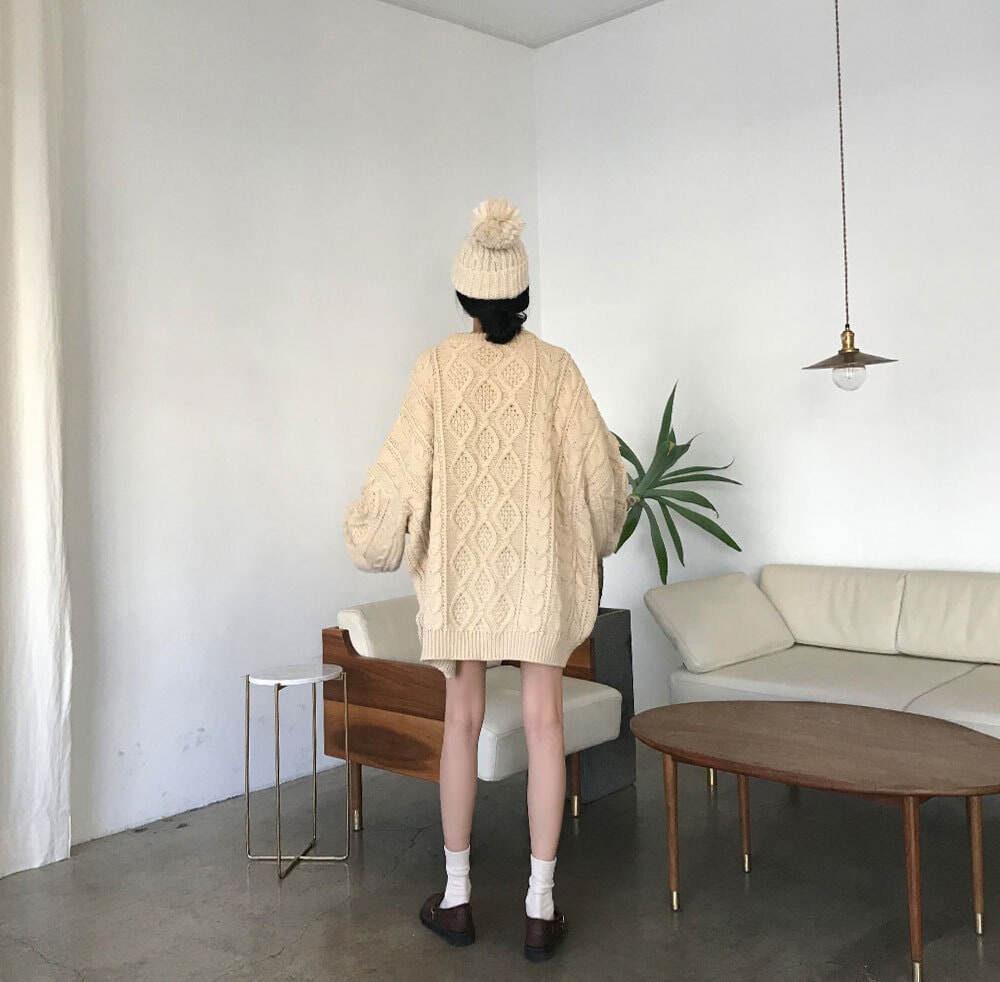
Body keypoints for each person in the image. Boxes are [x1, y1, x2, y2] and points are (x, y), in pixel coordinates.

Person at [344, 198, 628, 961]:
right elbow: (603, 479)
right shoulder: (556, 368)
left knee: (460, 724)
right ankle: (540, 908)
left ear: (465, 298)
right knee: (546, 727)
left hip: (461, 579)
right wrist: (605, 533)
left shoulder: (436, 368)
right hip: (538, 579)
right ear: (522, 296)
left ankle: (458, 898)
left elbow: (399, 474)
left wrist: (371, 535)